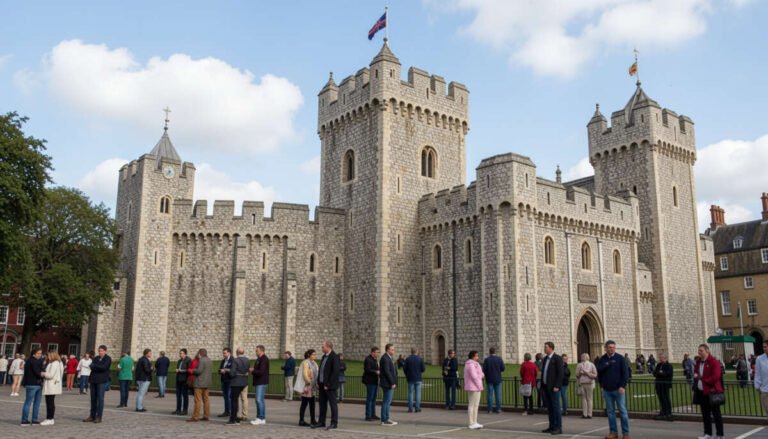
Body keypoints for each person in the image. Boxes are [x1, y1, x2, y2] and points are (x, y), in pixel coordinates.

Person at [597, 340, 630, 439]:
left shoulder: (620, 358)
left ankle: (626, 433)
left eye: (613, 347)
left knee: (623, 412)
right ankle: (613, 432)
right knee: (610, 412)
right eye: (610, 347)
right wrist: (601, 386)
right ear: (606, 348)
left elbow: (625, 374)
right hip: (607, 390)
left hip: (618, 390)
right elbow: (599, 371)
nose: (612, 349)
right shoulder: (602, 359)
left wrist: (622, 386)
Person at [695, 343, 724, 439]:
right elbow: (696, 371)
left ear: (707, 351)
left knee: (716, 414)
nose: (699, 352)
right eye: (698, 350)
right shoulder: (698, 362)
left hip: (712, 392)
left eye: (701, 350)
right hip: (702, 391)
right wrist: (696, 375)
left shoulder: (714, 362)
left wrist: (703, 379)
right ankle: (708, 434)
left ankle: (720, 434)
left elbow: (716, 377)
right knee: (705, 414)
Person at [312, 340, 340, 430]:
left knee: (333, 404)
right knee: (322, 404)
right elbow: (322, 370)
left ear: (328, 347)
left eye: (323, 346)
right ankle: (321, 421)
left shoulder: (334, 357)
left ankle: (334, 423)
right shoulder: (324, 356)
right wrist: (318, 381)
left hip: (329, 386)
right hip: (322, 384)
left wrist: (328, 384)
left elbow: (335, 372)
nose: (322, 348)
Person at [84, 345, 111, 423]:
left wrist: (95, 366)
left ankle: (99, 416)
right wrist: (96, 366)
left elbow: (104, 367)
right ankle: (92, 415)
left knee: (100, 399)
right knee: (93, 399)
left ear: (105, 351)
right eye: (99, 351)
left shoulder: (107, 359)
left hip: (102, 381)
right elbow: (91, 366)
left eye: (102, 351)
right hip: (93, 380)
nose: (100, 352)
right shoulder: (96, 358)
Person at [541, 341, 564, 435]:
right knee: (550, 408)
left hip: (554, 387)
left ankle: (558, 427)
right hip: (546, 386)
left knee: (556, 408)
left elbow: (560, 373)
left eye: (546, 347)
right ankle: (552, 426)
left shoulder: (557, 358)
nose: (544, 349)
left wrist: (557, 386)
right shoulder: (545, 358)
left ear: (551, 348)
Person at [20, 348, 45, 426]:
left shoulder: (32, 361)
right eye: (38, 353)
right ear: (34, 354)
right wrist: (45, 374)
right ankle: (24, 420)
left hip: (37, 384)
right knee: (28, 402)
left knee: (37, 403)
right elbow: (37, 372)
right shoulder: (32, 361)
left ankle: (34, 419)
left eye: (40, 353)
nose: (40, 355)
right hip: (32, 384)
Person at [225, 348, 249, 426]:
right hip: (244, 382)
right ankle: (236, 418)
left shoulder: (236, 360)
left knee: (234, 401)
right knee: (241, 399)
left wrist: (228, 371)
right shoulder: (247, 360)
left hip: (236, 382)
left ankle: (233, 419)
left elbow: (232, 372)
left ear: (237, 353)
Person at [295, 349, 318, 426]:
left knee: (312, 404)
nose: (315, 356)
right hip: (307, 387)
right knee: (304, 404)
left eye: (315, 354)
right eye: (313, 354)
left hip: (313, 387)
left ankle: (313, 420)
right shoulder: (305, 362)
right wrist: (308, 381)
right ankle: (301, 420)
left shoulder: (314, 363)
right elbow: (305, 374)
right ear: (309, 355)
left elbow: (316, 373)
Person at [189, 348, 212, 422]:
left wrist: (192, 370)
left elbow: (199, 371)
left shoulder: (201, 360)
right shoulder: (209, 360)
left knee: (197, 400)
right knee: (206, 400)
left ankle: (195, 416)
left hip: (199, 382)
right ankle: (206, 415)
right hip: (207, 383)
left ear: (200, 354)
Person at [41, 351, 63, 426]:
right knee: (49, 401)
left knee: (50, 402)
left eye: (49, 355)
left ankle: (50, 418)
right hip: (52, 384)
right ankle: (49, 418)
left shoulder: (55, 363)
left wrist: (43, 373)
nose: (48, 357)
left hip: (51, 384)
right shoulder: (55, 363)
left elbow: (50, 375)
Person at [464, 350, 484, 430]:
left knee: (476, 405)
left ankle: (475, 421)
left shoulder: (476, 364)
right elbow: (474, 376)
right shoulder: (470, 364)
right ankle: (471, 422)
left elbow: (480, 373)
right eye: (476, 356)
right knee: (472, 404)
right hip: (473, 386)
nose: (477, 357)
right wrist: (479, 385)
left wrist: (481, 375)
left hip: (477, 386)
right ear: (473, 356)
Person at [250, 345, 269, 426]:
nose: (256, 352)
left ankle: (260, 417)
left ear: (261, 351)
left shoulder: (264, 359)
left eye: (257, 350)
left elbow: (261, 371)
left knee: (259, 400)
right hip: (259, 382)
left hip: (261, 382)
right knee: (260, 400)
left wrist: (253, 370)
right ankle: (262, 418)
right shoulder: (259, 359)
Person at [379, 343, 398, 426]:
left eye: (394, 349)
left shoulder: (388, 358)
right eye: (392, 349)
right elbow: (387, 372)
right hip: (387, 383)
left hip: (388, 383)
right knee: (386, 401)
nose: (393, 351)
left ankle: (386, 417)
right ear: (387, 350)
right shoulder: (385, 358)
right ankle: (384, 419)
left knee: (388, 401)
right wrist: (392, 382)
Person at [482, 347, 505, 414]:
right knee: (498, 395)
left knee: (490, 395)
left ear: (489, 352)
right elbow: (503, 368)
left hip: (489, 379)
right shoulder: (499, 359)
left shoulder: (487, 360)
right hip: (497, 378)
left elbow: (484, 370)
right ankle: (498, 409)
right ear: (495, 352)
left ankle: (490, 409)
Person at [404, 347, 425, 413]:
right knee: (418, 394)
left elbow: (404, 369)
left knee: (410, 394)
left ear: (411, 352)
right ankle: (417, 408)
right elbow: (423, 369)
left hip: (410, 378)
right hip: (418, 378)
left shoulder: (407, 359)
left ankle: (410, 408)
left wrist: (407, 374)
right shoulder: (420, 359)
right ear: (416, 352)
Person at [575, 353, 597, 419]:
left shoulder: (591, 364)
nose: (583, 357)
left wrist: (587, 373)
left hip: (589, 383)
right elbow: (577, 375)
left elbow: (595, 375)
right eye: (582, 356)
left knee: (588, 399)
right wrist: (581, 373)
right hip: (583, 383)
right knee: (585, 399)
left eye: (584, 356)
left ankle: (589, 414)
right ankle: (585, 414)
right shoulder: (579, 365)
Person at [653, 352, 673, 421]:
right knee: (661, 399)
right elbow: (655, 373)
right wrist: (660, 373)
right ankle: (663, 412)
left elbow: (667, 374)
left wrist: (660, 373)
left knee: (666, 399)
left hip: (665, 385)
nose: (660, 359)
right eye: (660, 358)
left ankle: (668, 413)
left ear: (665, 358)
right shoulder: (658, 365)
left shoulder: (669, 366)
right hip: (659, 385)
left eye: (661, 358)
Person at [363, 346, 381, 421]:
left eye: (378, 352)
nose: (378, 354)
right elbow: (367, 369)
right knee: (369, 399)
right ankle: (368, 415)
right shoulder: (368, 359)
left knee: (373, 399)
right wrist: (376, 371)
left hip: (375, 381)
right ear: (373, 352)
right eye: (377, 352)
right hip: (370, 382)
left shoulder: (375, 360)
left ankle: (373, 414)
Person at [173, 349, 191, 415]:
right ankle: (178, 409)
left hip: (184, 380)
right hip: (178, 379)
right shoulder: (179, 361)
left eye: (181, 353)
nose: (180, 354)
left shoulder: (188, 360)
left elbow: (189, 370)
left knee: (185, 395)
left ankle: (185, 410)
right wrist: (178, 371)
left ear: (185, 353)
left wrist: (181, 370)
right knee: (178, 395)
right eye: (180, 353)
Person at [753, 340, 768, 418]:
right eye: (763, 347)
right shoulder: (759, 359)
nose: (764, 348)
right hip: (764, 389)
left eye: (765, 347)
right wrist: (757, 386)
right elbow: (758, 373)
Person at [135, 349, 152, 413]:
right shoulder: (145, 360)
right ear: (146, 353)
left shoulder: (141, 359)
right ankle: (139, 407)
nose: (151, 354)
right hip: (144, 378)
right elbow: (147, 370)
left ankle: (139, 406)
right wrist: (151, 369)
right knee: (141, 393)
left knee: (140, 393)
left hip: (140, 378)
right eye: (150, 353)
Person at [218, 348, 233, 418]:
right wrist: (220, 371)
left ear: (229, 353)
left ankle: (230, 411)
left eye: (225, 353)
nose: (223, 354)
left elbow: (233, 370)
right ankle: (226, 411)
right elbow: (219, 369)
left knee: (229, 396)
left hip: (229, 381)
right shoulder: (223, 361)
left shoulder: (233, 360)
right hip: (223, 380)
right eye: (223, 353)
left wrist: (226, 371)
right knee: (225, 397)